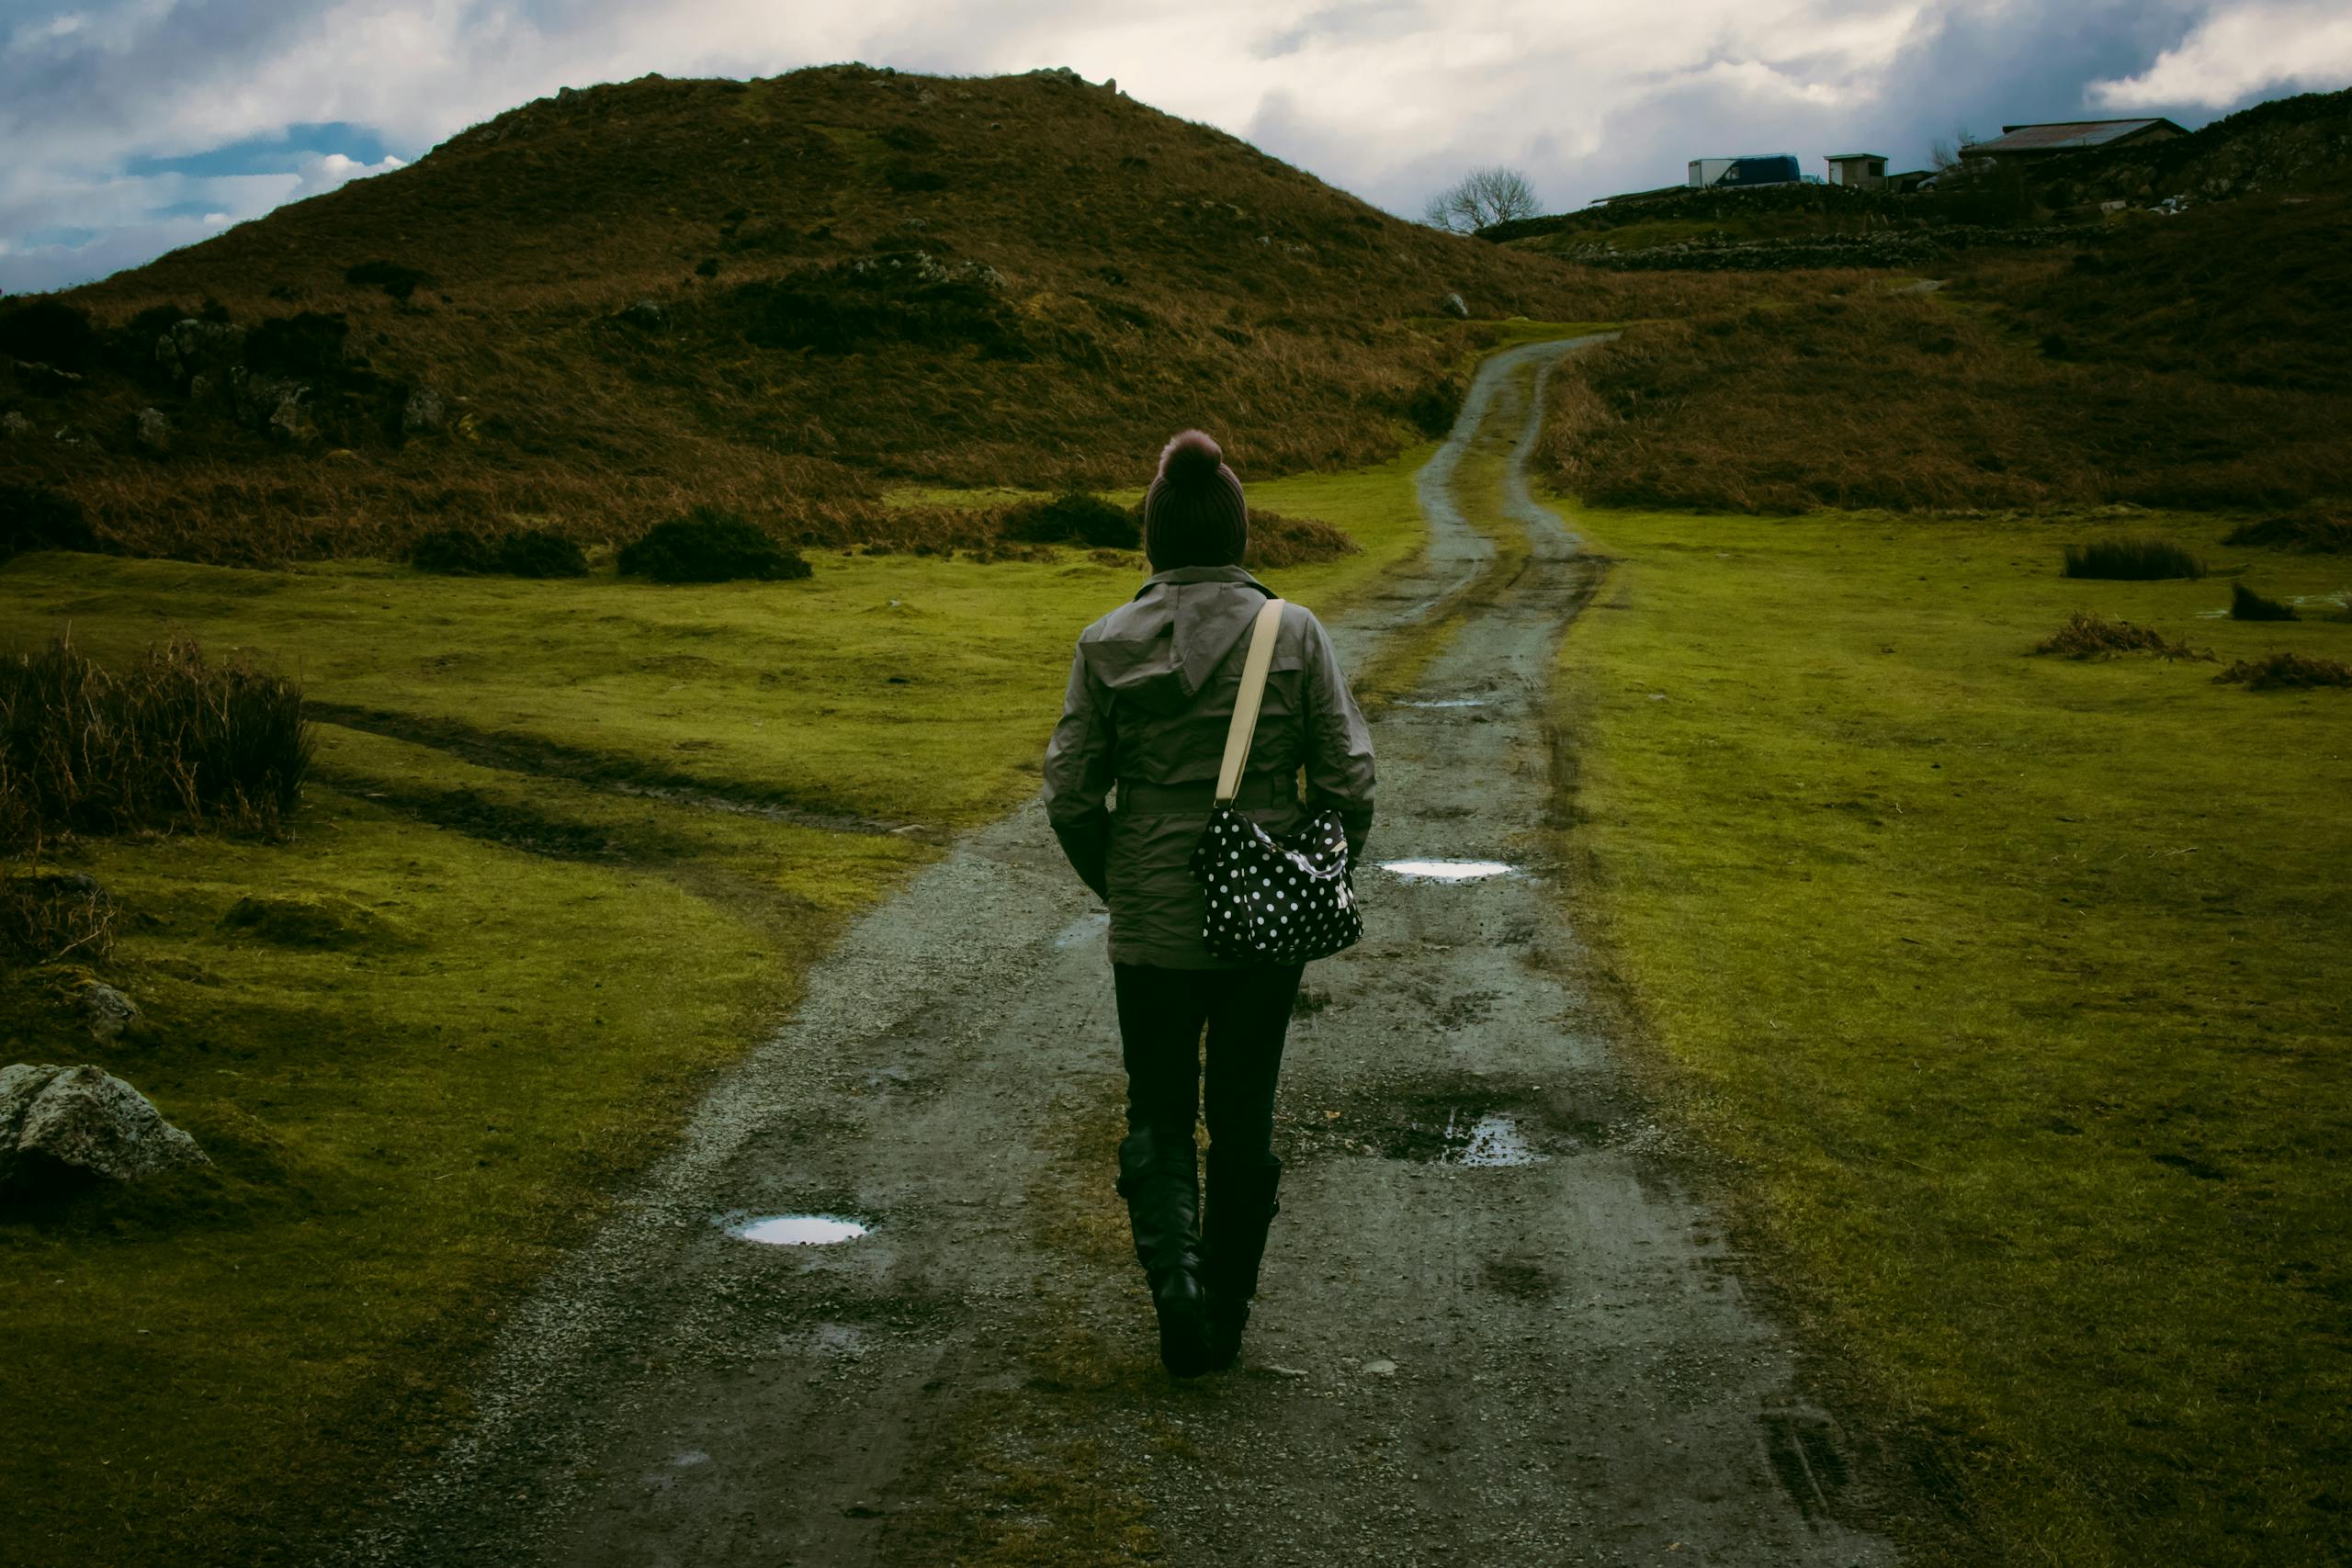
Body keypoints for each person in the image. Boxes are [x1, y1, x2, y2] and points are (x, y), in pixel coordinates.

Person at [1041, 429, 1375, 1377]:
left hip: (1148, 917)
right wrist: (1315, 867)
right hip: (1262, 914)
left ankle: (1173, 1288)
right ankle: (1225, 1309)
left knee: (1156, 1105)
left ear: (1152, 538)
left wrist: (1123, 885)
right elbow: (1351, 778)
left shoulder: (1104, 641)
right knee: (1243, 1112)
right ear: (1235, 531)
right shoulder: (1295, 632)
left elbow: (1069, 794)